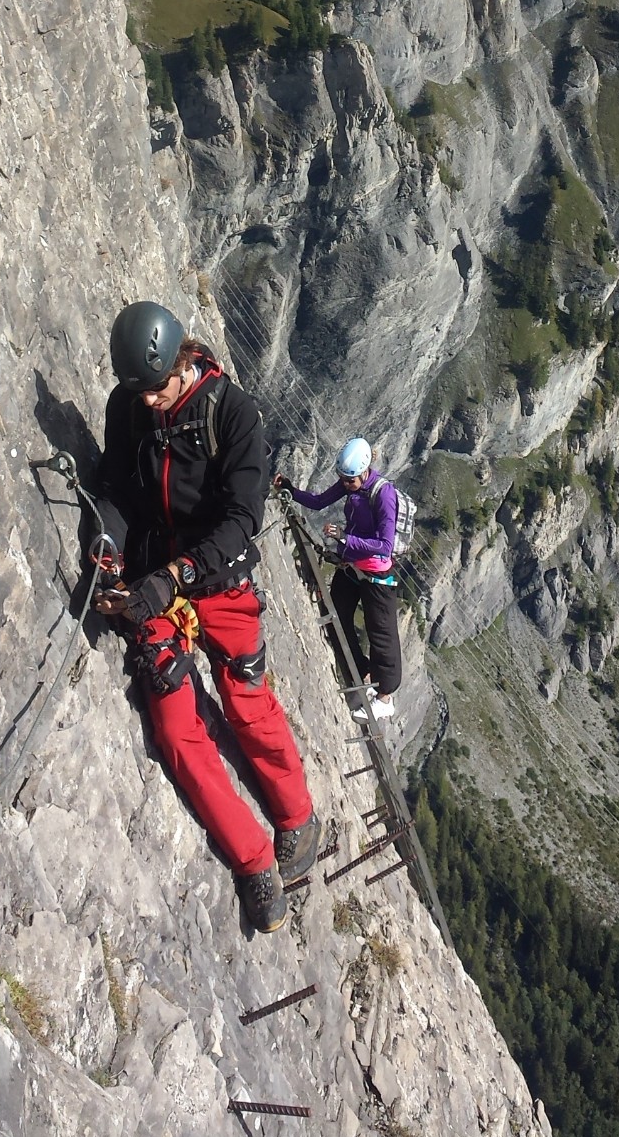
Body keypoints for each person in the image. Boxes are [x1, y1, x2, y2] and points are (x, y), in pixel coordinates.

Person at [92, 301, 319, 933]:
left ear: (181, 362)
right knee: (171, 722)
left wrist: (176, 578)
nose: (150, 405)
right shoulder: (130, 404)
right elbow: (113, 485)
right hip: (155, 579)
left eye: (157, 391)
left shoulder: (233, 416)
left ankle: (297, 816)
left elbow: (242, 523)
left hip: (215, 578)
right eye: (138, 393)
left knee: (245, 698)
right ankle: (252, 859)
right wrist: (107, 543)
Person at [274, 437, 402, 720]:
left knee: (381, 634)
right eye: (342, 479)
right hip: (352, 565)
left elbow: (385, 545)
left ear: (365, 471)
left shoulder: (384, 495)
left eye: (350, 480)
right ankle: (361, 669)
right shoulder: (351, 484)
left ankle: (385, 696)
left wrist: (346, 538)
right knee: (337, 614)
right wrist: (291, 490)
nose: (345, 484)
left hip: (376, 573)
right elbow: (319, 502)